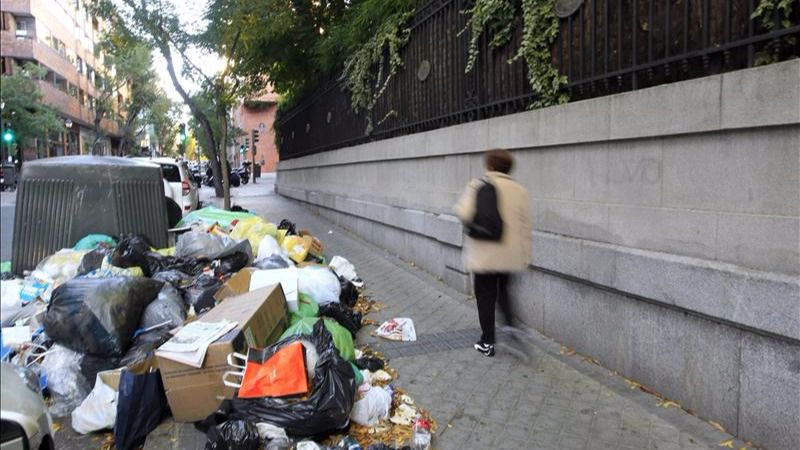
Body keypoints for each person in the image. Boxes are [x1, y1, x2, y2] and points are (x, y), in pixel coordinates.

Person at [455, 149, 532, 358]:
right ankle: (513, 330)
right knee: (504, 293)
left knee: (485, 297)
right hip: (511, 257)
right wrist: (525, 257)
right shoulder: (520, 190)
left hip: (485, 255)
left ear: (489, 165)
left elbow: (463, 212)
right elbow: (525, 228)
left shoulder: (478, 185)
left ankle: (487, 342)